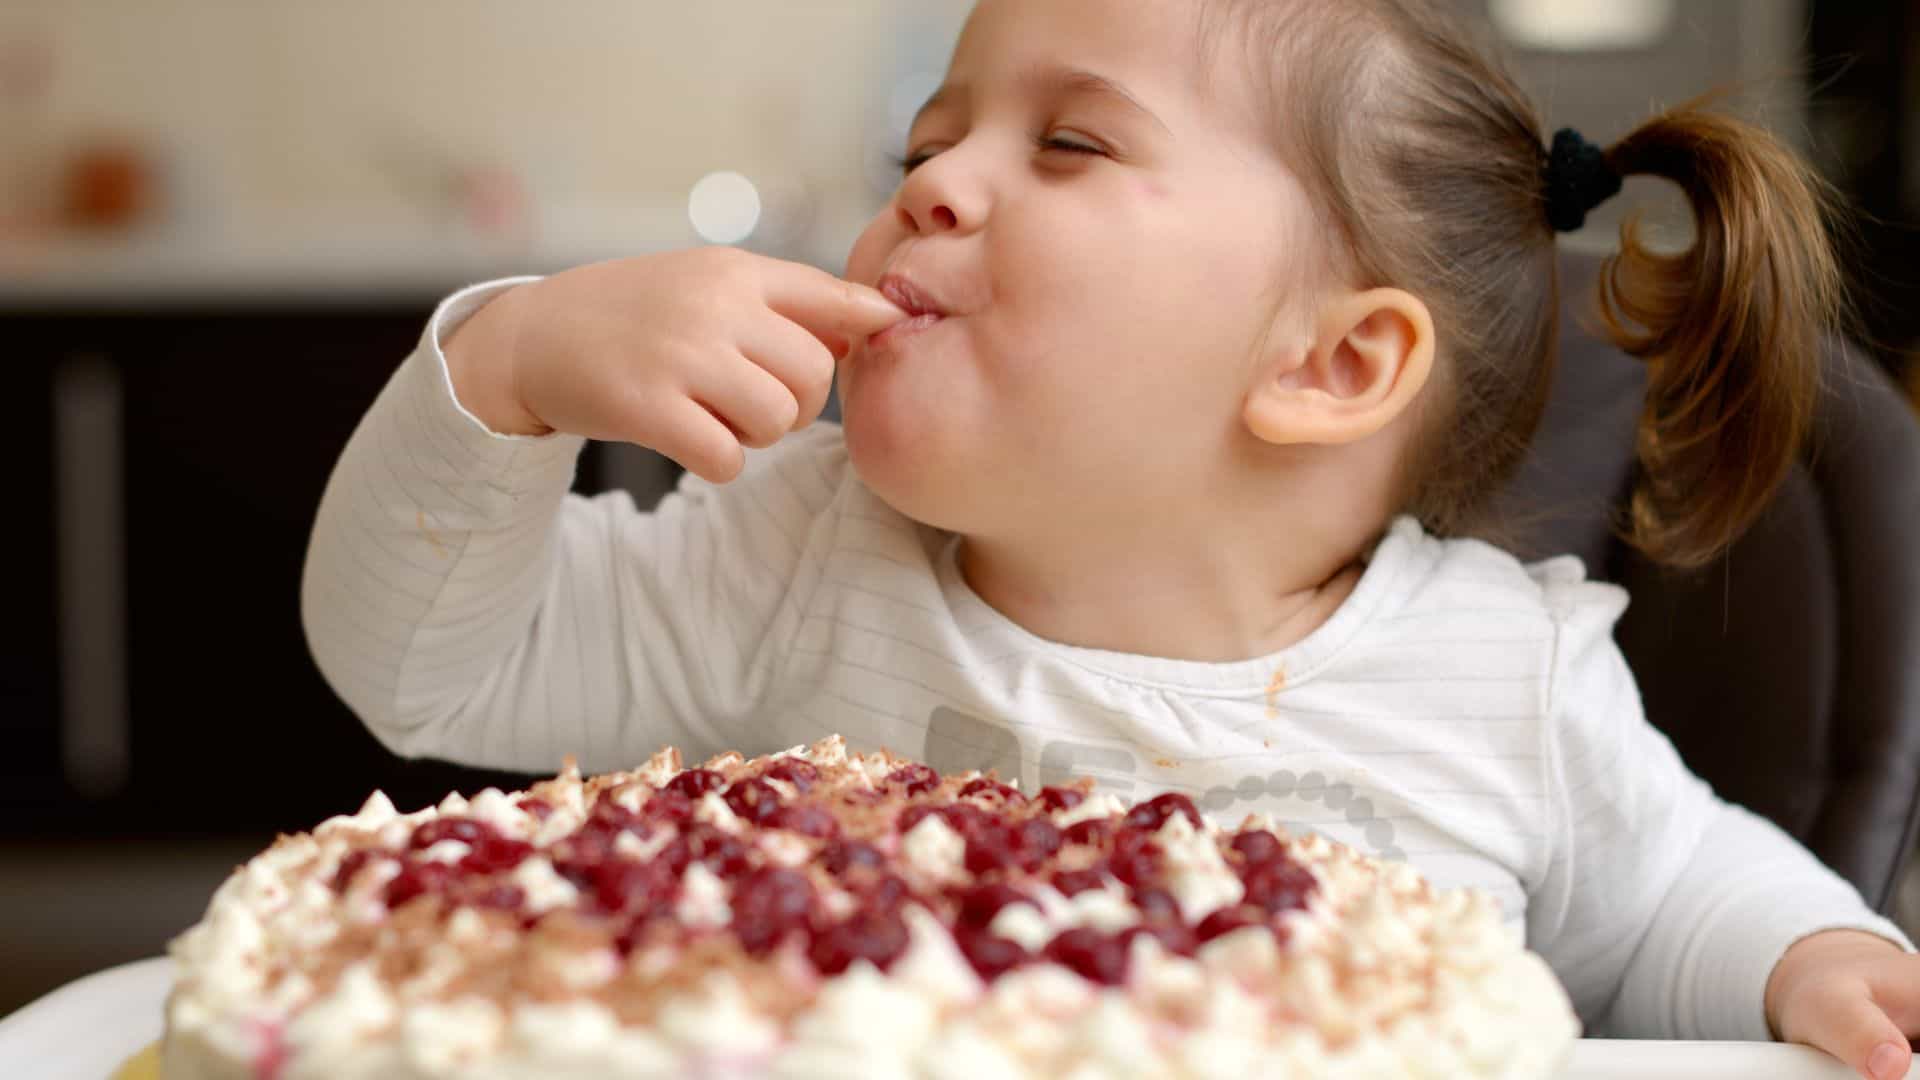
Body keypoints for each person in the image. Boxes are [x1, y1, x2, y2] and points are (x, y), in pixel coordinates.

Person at [301, 0, 1920, 1074]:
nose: (933, 184)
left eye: (1067, 144)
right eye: (923, 145)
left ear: (1332, 364)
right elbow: (430, 673)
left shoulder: (1501, 681)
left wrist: (1818, 958)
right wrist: (504, 369)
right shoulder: (795, 554)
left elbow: (1673, 892)